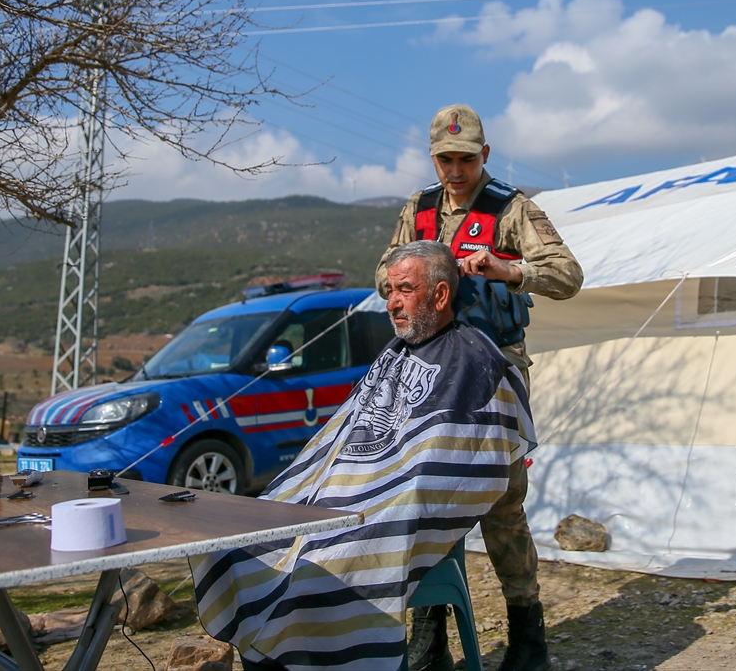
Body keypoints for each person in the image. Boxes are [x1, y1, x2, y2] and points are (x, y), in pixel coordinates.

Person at [191, 241, 536, 671]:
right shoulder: (397, 352)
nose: (391, 303)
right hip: (348, 494)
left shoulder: (476, 361)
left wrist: (375, 499)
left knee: (319, 565)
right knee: (243, 543)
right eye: (389, 291)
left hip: (386, 508)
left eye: (404, 290)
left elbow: (453, 471)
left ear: (442, 295)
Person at [376, 105, 583, 671]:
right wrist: (420, 272)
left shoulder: (512, 209)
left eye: (466, 159)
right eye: (446, 159)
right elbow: (382, 274)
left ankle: (527, 635)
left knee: (500, 502)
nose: (456, 170)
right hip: (428, 371)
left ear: (484, 156)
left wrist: (508, 269)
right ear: (433, 158)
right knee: (422, 496)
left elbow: (568, 275)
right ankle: (430, 635)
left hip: (495, 374)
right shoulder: (416, 211)